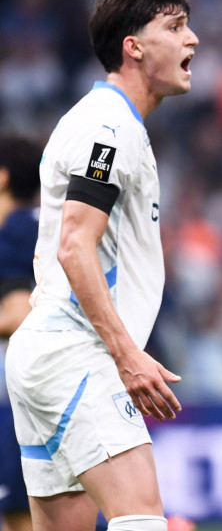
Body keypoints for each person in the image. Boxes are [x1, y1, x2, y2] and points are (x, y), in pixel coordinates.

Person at [4, 0, 198, 531]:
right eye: (175, 27)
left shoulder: (110, 123)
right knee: (141, 521)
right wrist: (126, 354)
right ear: (132, 47)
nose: (194, 41)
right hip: (76, 352)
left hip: (48, 352)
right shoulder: (108, 127)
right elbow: (74, 245)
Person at [0, 137, 42, 531]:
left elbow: (16, 316)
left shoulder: (12, 229)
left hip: (27, 396)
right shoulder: (48, 224)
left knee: (21, 517)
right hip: (69, 384)